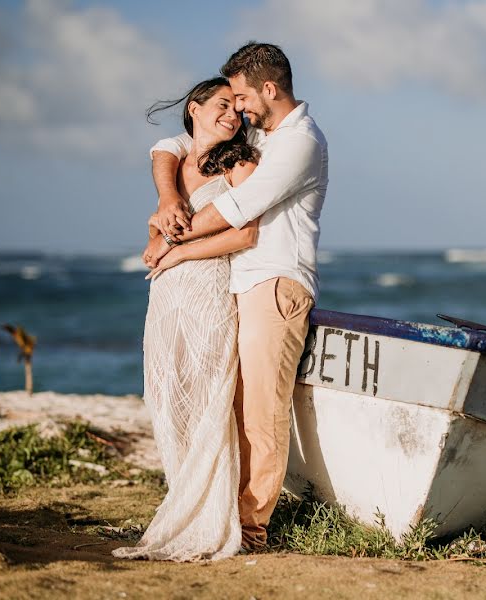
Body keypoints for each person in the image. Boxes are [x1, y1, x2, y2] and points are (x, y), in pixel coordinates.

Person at [144, 41, 328, 550]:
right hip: (242, 283)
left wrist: (171, 242)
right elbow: (174, 145)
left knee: (261, 411)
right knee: (234, 403)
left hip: (275, 281)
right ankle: (221, 508)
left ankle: (251, 529)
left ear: (269, 89)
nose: (239, 108)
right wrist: (167, 197)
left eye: (243, 97)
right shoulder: (267, 138)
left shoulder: (299, 143)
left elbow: (242, 208)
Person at [112, 77, 260, 562]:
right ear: (194, 108)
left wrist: (177, 253)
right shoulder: (172, 168)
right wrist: (160, 238)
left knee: (208, 401)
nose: (232, 117)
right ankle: (183, 499)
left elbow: (245, 236)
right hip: (167, 299)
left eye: (237, 111)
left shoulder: (242, 162)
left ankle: (211, 517)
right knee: (167, 396)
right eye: (222, 106)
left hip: (210, 293)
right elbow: (150, 246)